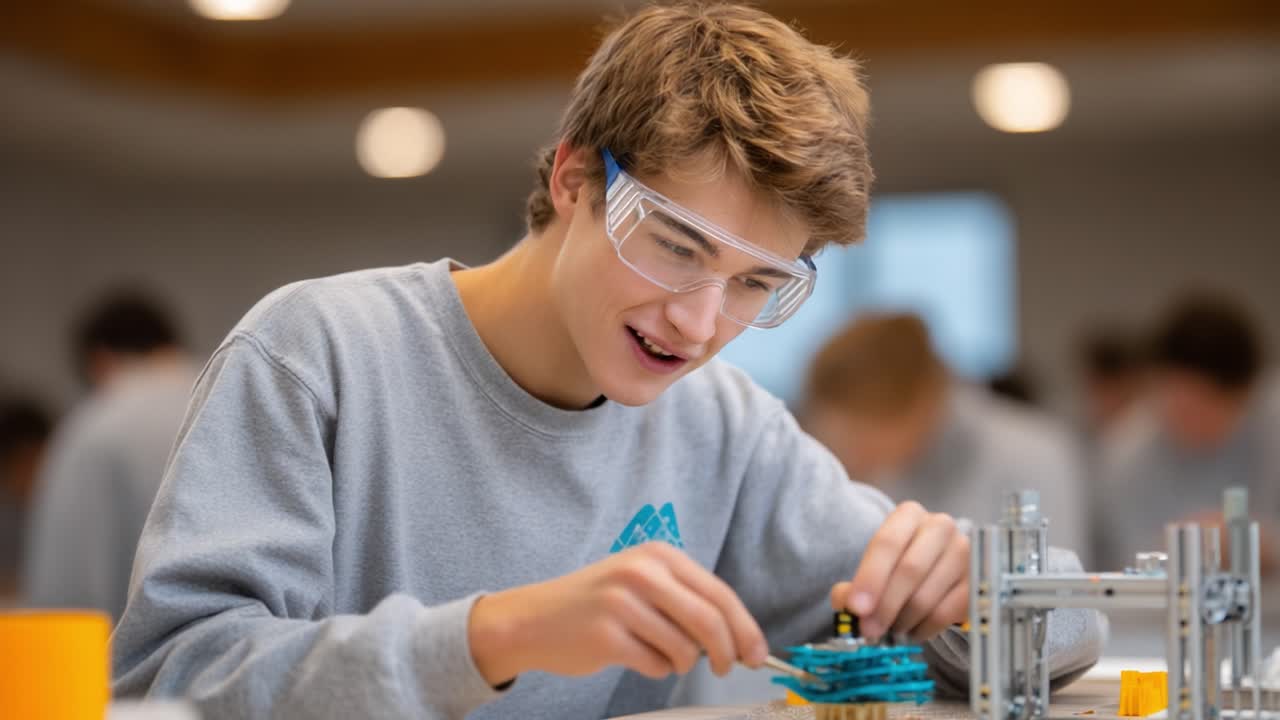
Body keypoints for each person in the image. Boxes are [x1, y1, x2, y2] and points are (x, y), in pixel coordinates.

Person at [111, 5, 1103, 718]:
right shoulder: (318, 355)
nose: (699, 322)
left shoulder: (720, 428)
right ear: (572, 177)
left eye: (757, 283)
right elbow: (170, 683)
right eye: (674, 245)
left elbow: (1069, 633)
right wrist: (492, 637)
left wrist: (980, 586)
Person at [802, 313, 1089, 559]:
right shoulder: (893, 467)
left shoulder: (1034, 453)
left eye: (859, 436)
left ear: (919, 405)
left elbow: (1052, 595)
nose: (851, 454)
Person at [22, 290, 196, 621]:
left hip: (143, 667)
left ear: (100, 360)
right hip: (260, 660)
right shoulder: (242, 401)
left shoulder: (97, 428)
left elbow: (63, 599)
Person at [1095, 292, 1278, 572]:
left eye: (1203, 407)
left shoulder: (1271, 423)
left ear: (1246, 393)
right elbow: (1125, 560)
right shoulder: (1126, 450)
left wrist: (1260, 543)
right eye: (1172, 403)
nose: (1185, 421)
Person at [0, 396, 52, 599]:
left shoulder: (61, 514)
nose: (33, 473)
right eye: (24, 463)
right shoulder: (5, 519)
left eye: (38, 461)